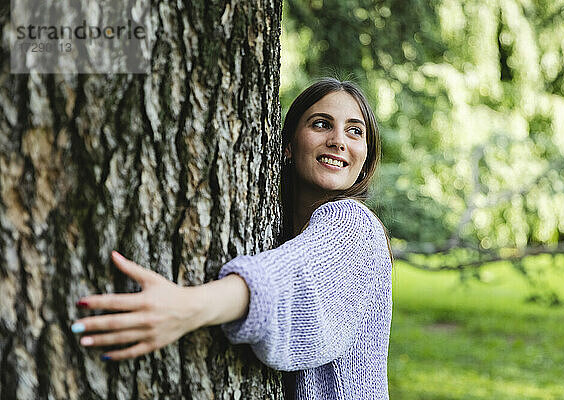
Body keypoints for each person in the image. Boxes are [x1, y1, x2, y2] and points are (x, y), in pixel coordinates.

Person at [71, 77, 393, 399]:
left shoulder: (357, 226)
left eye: (355, 131)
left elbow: (294, 283)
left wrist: (186, 308)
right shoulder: (279, 229)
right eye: (321, 124)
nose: (339, 140)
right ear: (289, 146)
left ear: (365, 159)